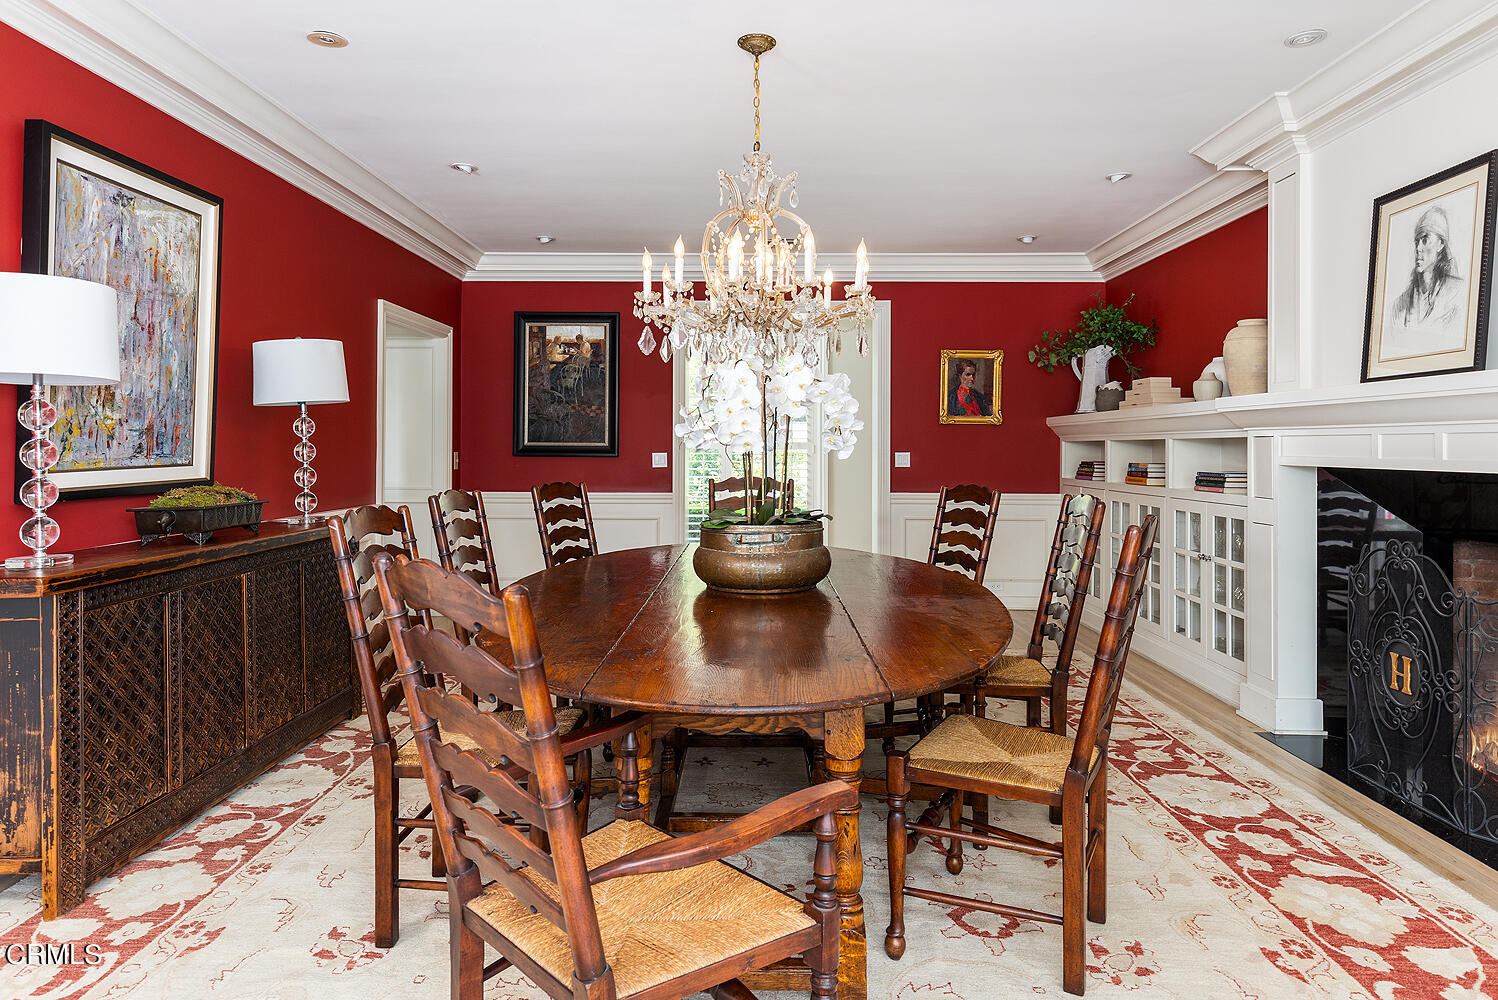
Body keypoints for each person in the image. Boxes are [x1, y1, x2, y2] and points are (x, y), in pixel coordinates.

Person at [1387, 205, 1466, 353]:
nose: (1418, 248)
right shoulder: (1399, 305)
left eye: (1425, 239)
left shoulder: (1458, 293)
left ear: (1441, 244)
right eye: (1417, 241)